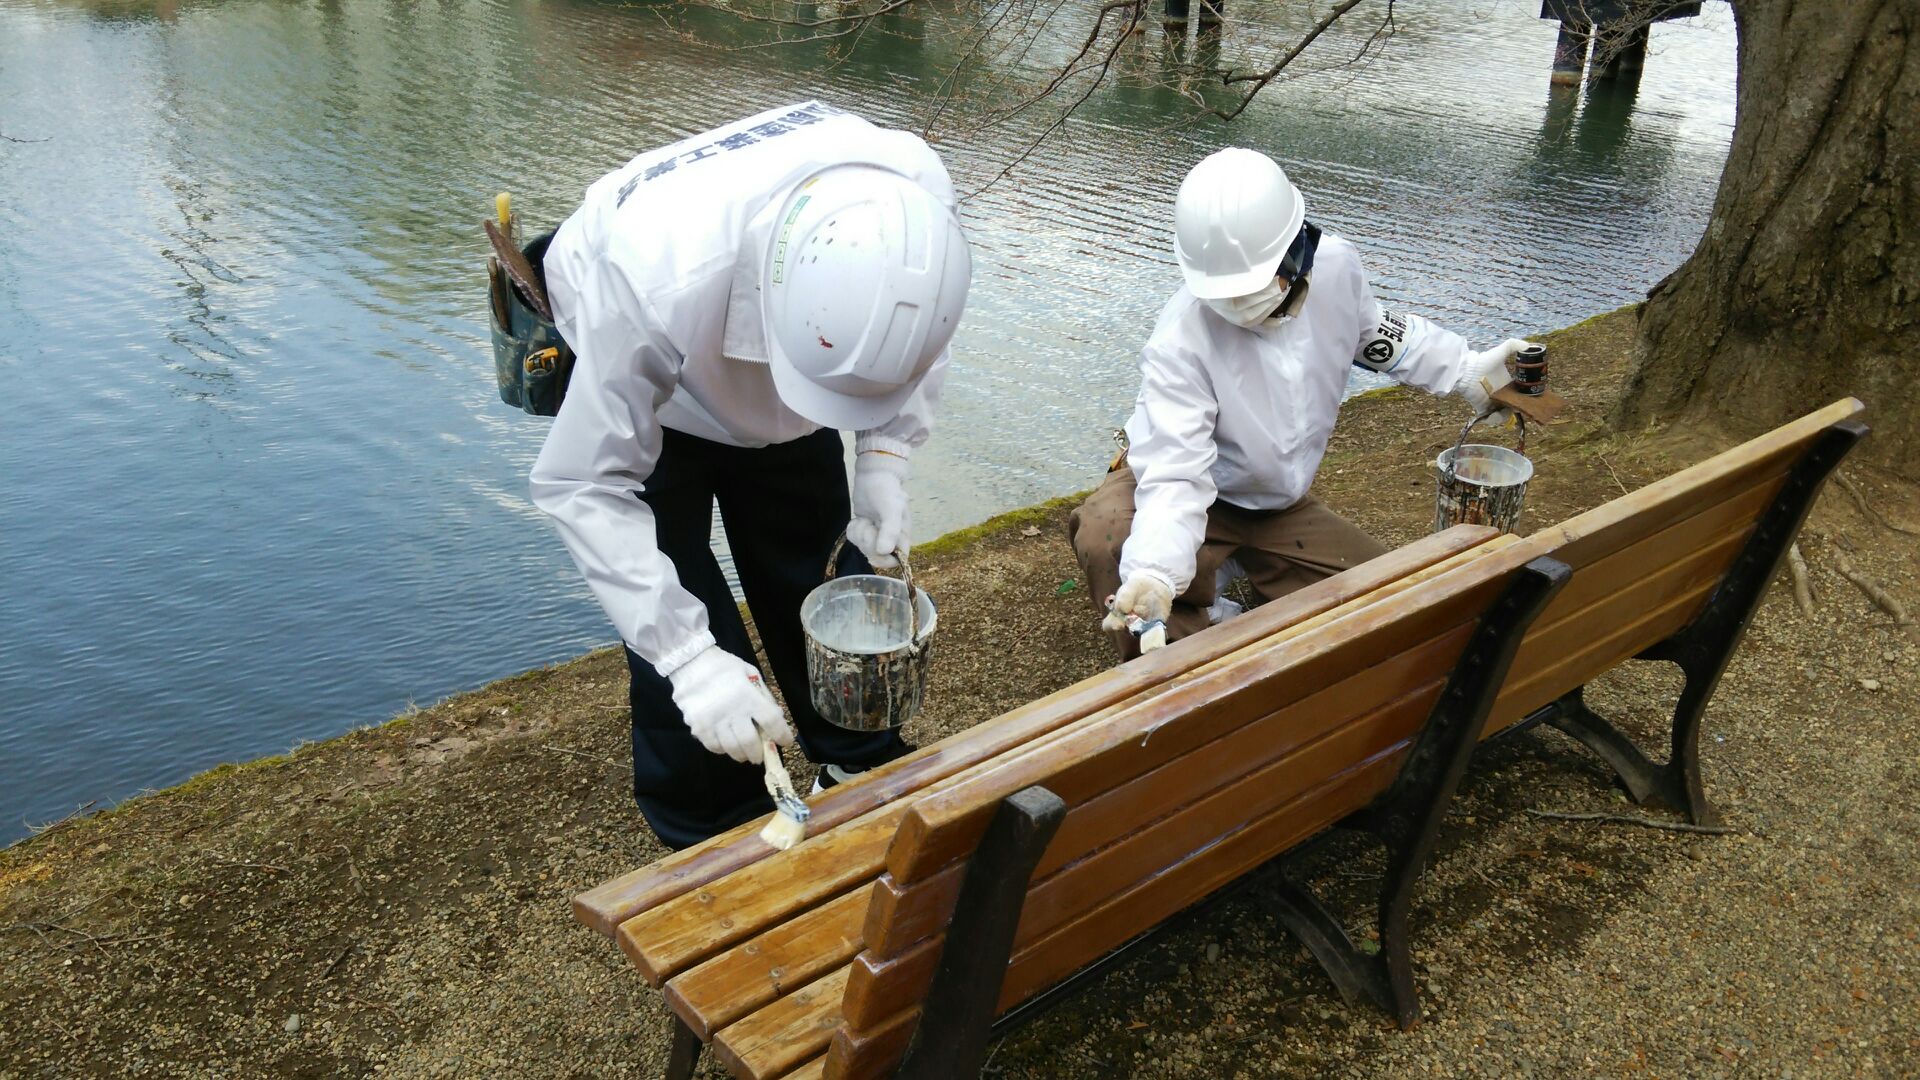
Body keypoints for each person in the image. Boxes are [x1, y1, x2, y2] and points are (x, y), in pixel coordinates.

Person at [530, 101, 972, 848]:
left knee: (818, 570)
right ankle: (717, 818)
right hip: (655, 386)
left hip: (790, 362)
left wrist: (885, 461)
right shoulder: (651, 275)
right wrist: (690, 660)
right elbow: (585, 485)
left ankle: (854, 757)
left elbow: (917, 344)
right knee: (679, 598)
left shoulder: (915, 214)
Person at [1069, 147, 1534, 659]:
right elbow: (1176, 474)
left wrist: (1466, 372)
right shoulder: (1180, 343)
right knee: (1112, 540)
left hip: (1278, 504)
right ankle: (1200, 617)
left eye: (1255, 284)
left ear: (1300, 245)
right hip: (1202, 491)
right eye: (1224, 294)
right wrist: (1155, 572)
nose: (1240, 303)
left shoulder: (1338, 268)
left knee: (1392, 610)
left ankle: (1232, 571)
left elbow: (1372, 332)